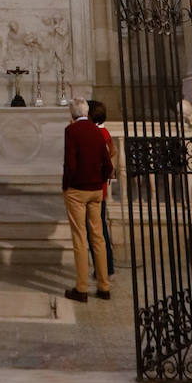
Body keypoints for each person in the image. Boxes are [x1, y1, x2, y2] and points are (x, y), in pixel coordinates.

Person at [62, 96, 113, 302]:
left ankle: (82, 288)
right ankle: (103, 286)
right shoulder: (96, 130)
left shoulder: (71, 130)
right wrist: (98, 180)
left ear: (72, 114)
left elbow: (70, 163)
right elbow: (107, 163)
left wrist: (67, 185)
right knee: (98, 237)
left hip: (78, 190)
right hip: (95, 190)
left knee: (80, 238)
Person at [87, 100, 115, 279]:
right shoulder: (104, 132)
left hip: (95, 187)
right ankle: (104, 269)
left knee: (96, 232)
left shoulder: (96, 134)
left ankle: (105, 269)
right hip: (100, 187)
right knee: (99, 230)